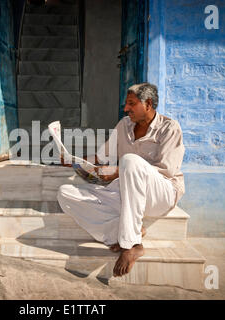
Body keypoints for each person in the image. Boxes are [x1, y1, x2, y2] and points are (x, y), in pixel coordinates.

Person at [57, 83, 185, 277]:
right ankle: (121, 231)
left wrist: (119, 171)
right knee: (65, 192)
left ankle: (132, 245)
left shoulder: (169, 128)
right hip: (126, 193)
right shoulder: (124, 125)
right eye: (127, 104)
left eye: (131, 104)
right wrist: (74, 160)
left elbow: (165, 171)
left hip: (161, 194)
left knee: (130, 161)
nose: (126, 109)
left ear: (148, 104)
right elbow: (101, 158)